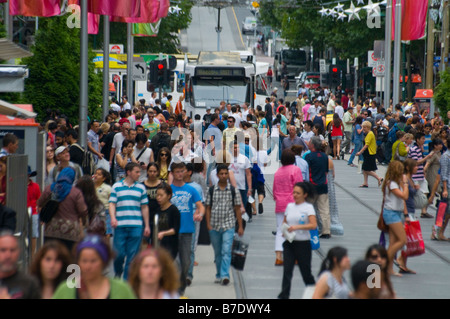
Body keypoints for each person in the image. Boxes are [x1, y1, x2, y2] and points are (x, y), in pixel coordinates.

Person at [53, 234, 136, 299]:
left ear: (104, 262)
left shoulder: (121, 290)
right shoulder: (66, 290)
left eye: (93, 261)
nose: (88, 266)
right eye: (84, 261)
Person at [109, 162, 150, 280]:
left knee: (132, 257)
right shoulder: (116, 186)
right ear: (128, 172)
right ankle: (118, 272)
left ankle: (126, 283)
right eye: (137, 172)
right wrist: (113, 218)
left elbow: (144, 207)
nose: (139, 174)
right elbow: (112, 204)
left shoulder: (141, 188)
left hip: (136, 225)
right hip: (120, 225)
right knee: (118, 254)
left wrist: (146, 225)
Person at [205, 164, 244, 286]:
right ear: (217, 175)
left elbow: (237, 209)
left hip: (229, 224)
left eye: (225, 173)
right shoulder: (211, 190)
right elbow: (208, 208)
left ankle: (225, 275)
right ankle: (219, 274)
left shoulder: (233, 191)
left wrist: (240, 226)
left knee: (226, 250)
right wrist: (208, 224)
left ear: (228, 175)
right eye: (221, 174)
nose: (223, 176)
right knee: (217, 252)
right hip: (214, 225)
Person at [170, 162, 204, 296]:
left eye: (181, 171)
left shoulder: (191, 189)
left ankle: (182, 284)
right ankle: (176, 290)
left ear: (185, 172)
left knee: (185, 262)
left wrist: (199, 213)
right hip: (171, 231)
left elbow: (200, 205)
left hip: (187, 229)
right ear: (172, 173)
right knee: (175, 262)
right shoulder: (168, 189)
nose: (180, 174)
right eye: (177, 172)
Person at [277, 182, 317, 299]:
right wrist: (284, 231)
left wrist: (297, 227)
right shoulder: (290, 206)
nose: (295, 195)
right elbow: (284, 223)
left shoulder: (308, 208)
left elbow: (313, 225)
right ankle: (284, 295)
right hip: (289, 243)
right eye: (294, 192)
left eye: (298, 193)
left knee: (306, 272)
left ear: (305, 195)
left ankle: (314, 293)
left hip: (303, 244)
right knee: (287, 271)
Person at [37, 167, 88, 252]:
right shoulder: (76, 192)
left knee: (53, 256)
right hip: (71, 232)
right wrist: (84, 222)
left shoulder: (50, 188)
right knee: (71, 259)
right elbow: (83, 210)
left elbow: (39, 203)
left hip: (51, 230)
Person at [273, 149, 303, 266]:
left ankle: (278, 256)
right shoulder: (296, 170)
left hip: (280, 204)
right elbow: (299, 187)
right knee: (294, 229)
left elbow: (275, 190)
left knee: (280, 230)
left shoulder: (278, 172)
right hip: (293, 203)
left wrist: (278, 199)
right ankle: (294, 256)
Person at [381, 160, 409, 277]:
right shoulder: (392, 184)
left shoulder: (395, 183)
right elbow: (404, 196)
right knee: (402, 240)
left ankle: (389, 269)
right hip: (391, 213)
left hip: (396, 212)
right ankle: (384, 262)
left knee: (392, 242)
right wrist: (406, 184)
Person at [0, 230, 41, 299]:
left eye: (12, 250)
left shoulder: (29, 284)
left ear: (18, 252)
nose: (8, 255)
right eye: (3, 250)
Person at [305, 137, 331, 239]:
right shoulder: (325, 156)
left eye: (309, 142)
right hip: (323, 185)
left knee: (308, 208)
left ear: (312, 145)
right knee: (324, 209)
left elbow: (307, 172)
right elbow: (326, 171)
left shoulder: (309, 157)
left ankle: (308, 228)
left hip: (312, 186)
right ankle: (326, 231)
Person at [407, 132, 435, 218]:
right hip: (414, 176)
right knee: (413, 194)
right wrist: (427, 157)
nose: (424, 140)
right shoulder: (414, 149)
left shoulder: (419, 148)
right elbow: (416, 162)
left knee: (425, 192)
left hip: (420, 174)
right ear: (417, 140)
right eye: (422, 139)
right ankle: (411, 211)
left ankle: (423, 211)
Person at [153, 183, 180, 260]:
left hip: (171, 245)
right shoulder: (157, 210)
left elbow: (176, 229)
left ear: (169, 196)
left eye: (161, 195)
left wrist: (164, 233)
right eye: (157, 195)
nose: (158, 198)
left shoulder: (174, 210)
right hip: (159, 245)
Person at [356, 121, 383, 188]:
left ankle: (378, 178)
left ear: (368, 127)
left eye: (364, 127)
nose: (363, 129)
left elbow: (366, 145)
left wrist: (360, 152)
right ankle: (365, 183)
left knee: (367, 170)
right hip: (369, 153)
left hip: (369, 153)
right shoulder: (369, 133)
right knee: (365, 169)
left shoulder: (370, 134)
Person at [93, 168, 113, 238]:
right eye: (95, 173)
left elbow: (111, 201)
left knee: (107, 232)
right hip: (94, 212)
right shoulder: (91, 186)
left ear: (103, 178)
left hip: (106, 212)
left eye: (99, 174)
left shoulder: (108, 188)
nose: (96, 176)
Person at [27, 166, 41, 257]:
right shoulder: (17, 186)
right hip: (22, 211)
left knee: (33, 234)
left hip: (33, 212)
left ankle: (32, 254)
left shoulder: (35, 186)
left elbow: (39, 200)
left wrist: (38, 211)